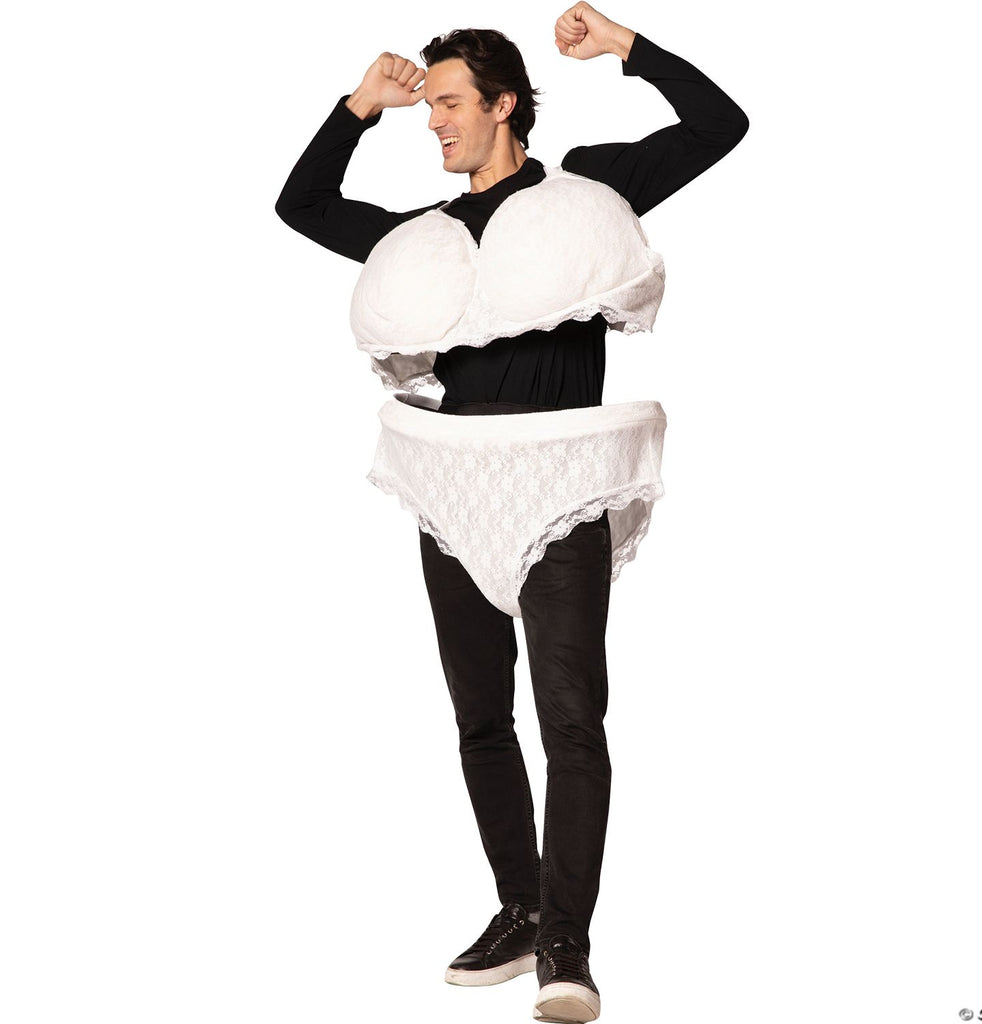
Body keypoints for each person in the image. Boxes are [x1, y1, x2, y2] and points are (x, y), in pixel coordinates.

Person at [275, 5, 747, 1021]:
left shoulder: (589, 193)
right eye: (428, 107)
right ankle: (519, 907)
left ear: (503, 105)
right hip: (454, 485)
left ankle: (567, 947)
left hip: (562, 481)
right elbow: (301, 204)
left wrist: (625, 47)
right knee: (481, 718)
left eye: (450, 103)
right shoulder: (423, 238)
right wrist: (358, 106)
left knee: (571, 718)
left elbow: (720, 125)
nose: (434, 122)